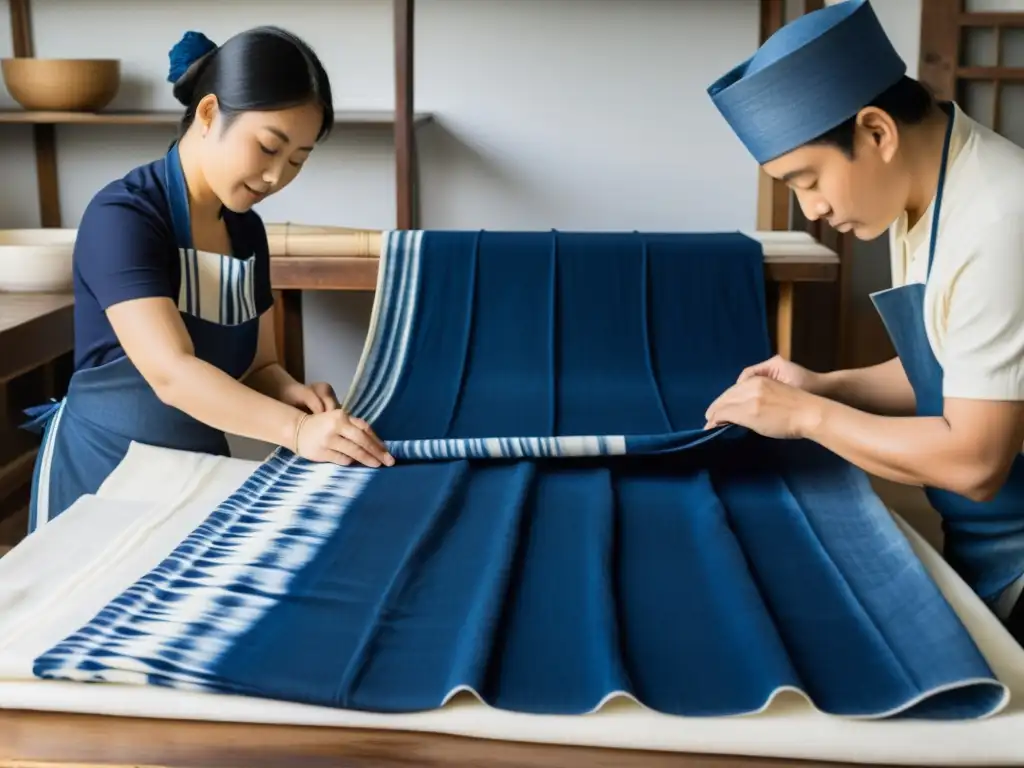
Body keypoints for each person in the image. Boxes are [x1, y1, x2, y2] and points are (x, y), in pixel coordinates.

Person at [703, 0, 1024, 641]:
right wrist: (826, 385)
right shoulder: (926, 187)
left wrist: (805, 418)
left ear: (876, 132)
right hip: (984, 541)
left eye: (808, 179)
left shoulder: (998, 217)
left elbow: (976, 461)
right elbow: (953, 367)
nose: (812, 209)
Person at [23, 26, 394, 536]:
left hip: (195, 469)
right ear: (208, 113)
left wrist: (294, 395)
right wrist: (298, 431)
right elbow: (172, 372)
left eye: (297, 161)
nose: (275, 178)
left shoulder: (245, 229)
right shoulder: (124, 216)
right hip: (104, 479)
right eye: (268, 147)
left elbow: (260, 364)